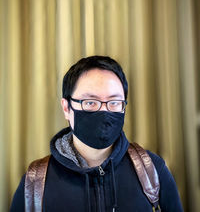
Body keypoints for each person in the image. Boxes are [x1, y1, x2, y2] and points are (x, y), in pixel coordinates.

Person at [10, 55, 183, 211]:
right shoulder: (34, 184)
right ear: (66, 107)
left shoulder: (152, 170)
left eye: (114, 102)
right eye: (90, 102)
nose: (104, 111)